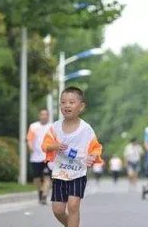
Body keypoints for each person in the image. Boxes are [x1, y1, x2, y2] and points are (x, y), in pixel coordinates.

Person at [42, 86, 103, 227]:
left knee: (73, 205)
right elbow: (45, 145)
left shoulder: (86, 129)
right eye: (63, 102)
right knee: (58, 210)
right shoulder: (55, 128)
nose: (66, 105)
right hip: (59, 174)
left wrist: (92, 157)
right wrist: (54, 146)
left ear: (81, 106)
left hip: (77, 173)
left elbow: (96, 148)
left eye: (71, 102)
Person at [27, 109, 52, 205]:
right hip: (36, 157)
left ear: (48, 116)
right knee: (37, 179)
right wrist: (31, 148)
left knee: (47, 178)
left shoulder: (52, 127)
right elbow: (29, 139)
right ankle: (41, 191)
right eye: (42, 114)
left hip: (48, 157)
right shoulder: (33, 126)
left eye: (46, 115)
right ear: (39, 116)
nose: (44, 116)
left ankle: (44, 196)